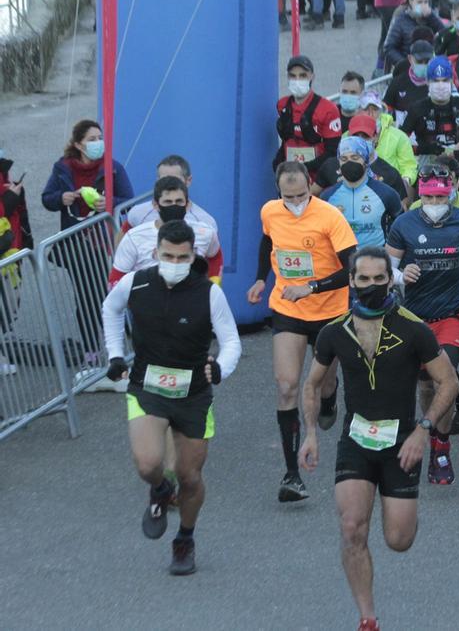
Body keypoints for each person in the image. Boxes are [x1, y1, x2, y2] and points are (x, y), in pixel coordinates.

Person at [297, 247, 456, 631]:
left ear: (390, 279)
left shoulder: (413, 328)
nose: (371, 285)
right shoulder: (334, 332)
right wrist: (311, 434)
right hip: (355, 439)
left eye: (378, 278)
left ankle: (402, 510)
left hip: (402, 440)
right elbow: (312, 385)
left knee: (399, 539)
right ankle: (367, 618)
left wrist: (424, 429)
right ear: (351, 281)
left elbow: (448, 381)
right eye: (363, 279)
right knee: (352, 528)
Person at [102, 220, 242, 575]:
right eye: (168, 255)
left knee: (190, 476)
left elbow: (231, 343)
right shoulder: (137, 282)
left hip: (193, 395)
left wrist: (221, 369)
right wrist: (115, 354)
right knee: (149, 464)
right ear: (155, 253)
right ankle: (161, 490)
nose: (175, 262)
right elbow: (110, 309)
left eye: (182, 257)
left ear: (193, 255)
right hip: (147, 387)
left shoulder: (209, 293)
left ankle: (185, 539)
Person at [248, 161, 357, 502]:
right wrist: (259, 279)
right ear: (277, 192)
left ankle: (329, 397)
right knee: (287, 386)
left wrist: (312, 287)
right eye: (287, 197)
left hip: (329, 311)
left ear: (310, 186)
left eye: (300, 196)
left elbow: (352, 270)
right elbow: (268, 245)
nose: (294, 203)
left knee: (322, 382)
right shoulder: (270, 211)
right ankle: (292, 475)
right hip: (288, 309)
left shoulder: (330, 216)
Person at [385, 171, 459, 483]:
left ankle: (441, 448)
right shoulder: (404, 224)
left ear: (451, 194)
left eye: (441, 197)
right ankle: (433, 434)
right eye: (429, 197)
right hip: (415, 316)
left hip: (453, 313)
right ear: (421, 195)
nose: (435, 203)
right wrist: (399, 276)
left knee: (444, 378)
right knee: (425, 385)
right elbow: (387, 265)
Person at [42, 118, 134, 366]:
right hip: (76, 243)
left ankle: (116, 342)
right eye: (91, 140)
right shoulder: (63, 169)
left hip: (106, 241)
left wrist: (111, 203)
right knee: (87, 295)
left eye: (100, 138)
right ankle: (91, 350)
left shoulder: (112, 167)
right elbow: (47, 199)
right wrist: (63, 197)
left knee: (109, 293)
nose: (98, 143)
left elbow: (129, 199)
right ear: (78, 145)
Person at [110, 177, 221, 284]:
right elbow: (116, 277)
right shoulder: (134, 238)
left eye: (179, 201)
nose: (174, 206)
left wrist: (214, 284)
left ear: (187, 205)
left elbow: (215, 256)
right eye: (168, 202)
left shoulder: (206, 233)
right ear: (155, 205)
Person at [319, 137, 405, 248]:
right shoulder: (327, 197)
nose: (349, 162)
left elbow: (401, 227)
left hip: (375, 260)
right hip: (341, 262)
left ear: (365, 160)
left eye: (355, 157)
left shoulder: (386, 193)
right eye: (344, 159)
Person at [275, 55, 343, 181]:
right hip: (290, 177)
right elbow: (286, 141)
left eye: (302, 75)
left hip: (318, 180)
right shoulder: (282, 105)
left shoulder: (328, 109)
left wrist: (304, 168)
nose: (297, 80)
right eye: (293, 76)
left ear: (312, 76)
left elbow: (333, 152)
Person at [403, 56, 459, 159]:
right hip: (427, 165)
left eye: (445, 80)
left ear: (451, 81)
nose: (440, 85)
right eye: (436, 81)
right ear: (428, 82)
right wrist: (424, 149)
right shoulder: (417, 109)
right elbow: (400, 142)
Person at [382, 0, 445, 67]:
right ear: (411, 2)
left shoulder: (431, 18)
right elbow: (388, 47)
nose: (423, 5)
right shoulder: (401, 20)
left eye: (426, 2)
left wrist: (431, 17)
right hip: (407, 66)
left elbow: (445, 33)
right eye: (419, 2)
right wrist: (405, 64)